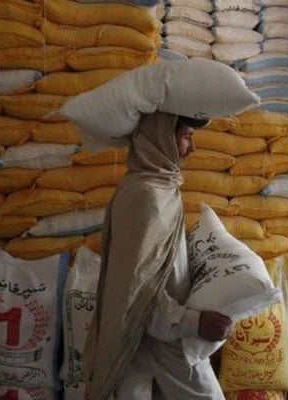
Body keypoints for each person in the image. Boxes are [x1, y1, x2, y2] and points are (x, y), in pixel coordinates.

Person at [83, 112, 234, 400]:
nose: (192, 148)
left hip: (151, 331)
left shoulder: (155, 186)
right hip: (156, 332)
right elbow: (137, 290)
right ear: (163, 138)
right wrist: (193, 321)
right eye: (186, 137)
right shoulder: (147, 196)